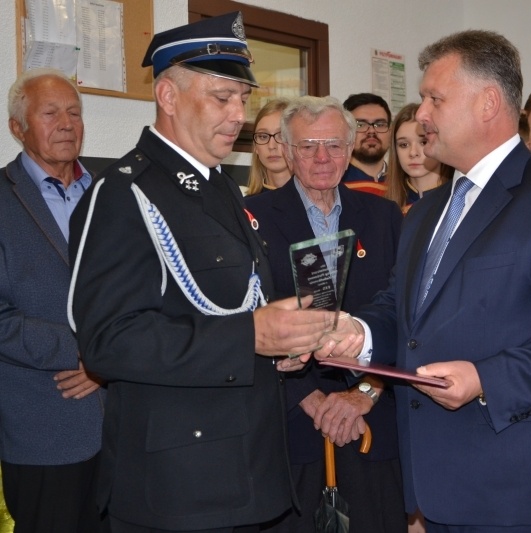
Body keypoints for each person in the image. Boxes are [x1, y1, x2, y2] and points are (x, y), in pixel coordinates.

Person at [304, 30, 531, 532]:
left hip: (519, 489)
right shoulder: (426, 209)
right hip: (435, 485)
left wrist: (484, 379)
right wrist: (358, 335)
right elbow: (403, 312)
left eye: (435, 98)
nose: (422, 113)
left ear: (488, 103)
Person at [67, 12, 333, 532]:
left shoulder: (221, 189)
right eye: (222, 97)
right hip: (178, 489)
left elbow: (235, 305)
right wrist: (250, 336)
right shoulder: (125, 192)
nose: (240, 114)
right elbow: (107, 341)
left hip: (246, 474)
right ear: (168, 96)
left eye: (243, 98)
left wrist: (280, 343)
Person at [245, 96, 405, 533]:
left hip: (373, 425)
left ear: (351, 148)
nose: (321, 157)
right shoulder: (250, 218)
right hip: (290, 428)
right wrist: (311, 399)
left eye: (334, 145)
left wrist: (366, 393)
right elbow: (247, 321)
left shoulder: (386, 217)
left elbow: (406, 316)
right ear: (289, 150)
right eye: (309, 145)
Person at [0, 67, 105, 533]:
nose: (67, 123)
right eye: (50, 113)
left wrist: (109, 364)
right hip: (41, 429)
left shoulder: (114, 193)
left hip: (122, 425)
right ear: (17, 128)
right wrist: (87, 352)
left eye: (75, 112)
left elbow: (147, 290)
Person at [385, 102, 454, 213]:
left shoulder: (460, 200)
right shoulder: (384, 207)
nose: (413, 153)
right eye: (404, 145)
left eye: (423, 142)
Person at [341, 93, 392, 195]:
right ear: (345, 131)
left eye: (380, 124)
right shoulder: (334, 184)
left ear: (390, 131)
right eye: (360, 125)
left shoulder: (404, 184)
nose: (371, 131)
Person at [243, 98, 292, 196]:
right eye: (263, 136)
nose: (271, 146)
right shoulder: (245, 206)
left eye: (281, 135)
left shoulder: (315, 201)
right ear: (256, 147)